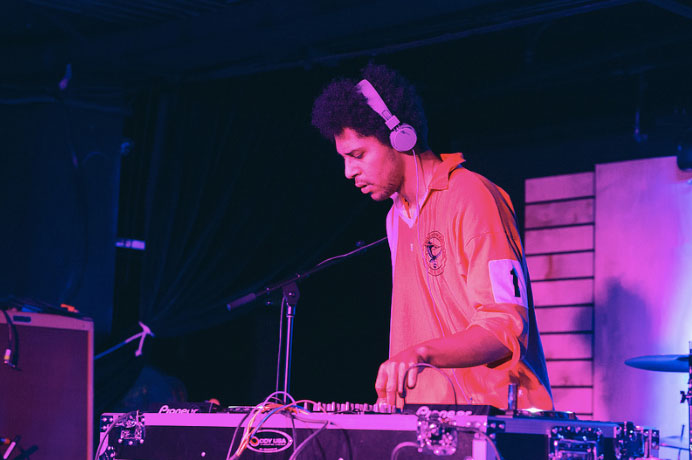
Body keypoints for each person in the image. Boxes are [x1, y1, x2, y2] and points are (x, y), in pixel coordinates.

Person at [311, 63, 553, 410]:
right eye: (345, 159)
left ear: (400, 137)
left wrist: (422, 353)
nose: (349, 171)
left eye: (358, 155)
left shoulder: (473, 196)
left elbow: (505, 327)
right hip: (429, 418)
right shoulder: (396, 218)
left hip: (495, 416)